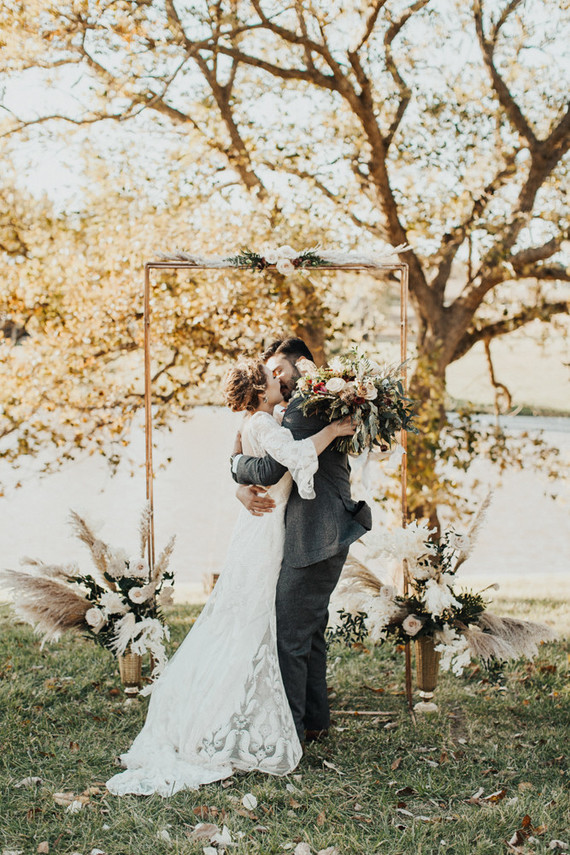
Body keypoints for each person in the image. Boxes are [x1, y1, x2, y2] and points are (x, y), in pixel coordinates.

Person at [106, 359, 355, 796]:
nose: (282, 377)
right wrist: (333, 431)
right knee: (255, 617)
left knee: (247, 617)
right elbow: (294, 456)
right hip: (267, 530)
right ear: (261, 390)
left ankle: (251, 703)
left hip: (263, 527)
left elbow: (261, 455)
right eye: (274, 376)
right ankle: (241, 712)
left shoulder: (260, 420)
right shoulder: (264, 423)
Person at [232, 338, 372, 746]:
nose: (275, 376)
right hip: (310, 531)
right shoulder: (289, 407)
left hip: (317, 533)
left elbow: (271, 464)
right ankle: (313, 724)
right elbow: (249, 434)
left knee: (290, 636)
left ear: (302, 365)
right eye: (268, 373)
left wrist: (237, 468)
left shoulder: (309, 405)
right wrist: (237, 479)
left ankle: (289, 733)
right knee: (307, 633)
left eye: (279, 368)